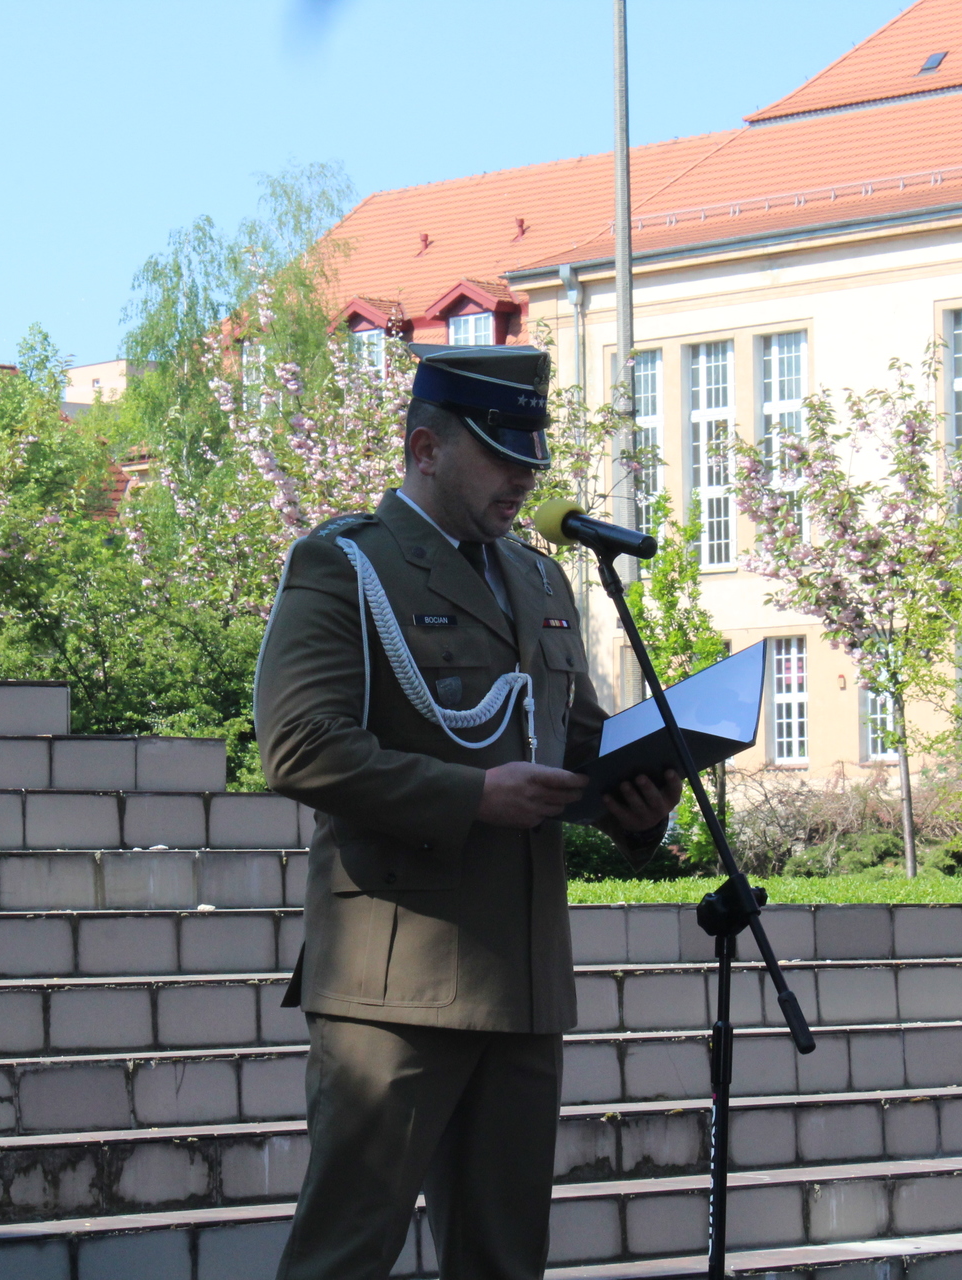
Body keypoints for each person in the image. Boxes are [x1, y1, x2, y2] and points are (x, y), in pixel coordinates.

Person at [256, 343, 683, 1280]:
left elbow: (573, 739)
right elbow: (300, 744)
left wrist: (638, 802)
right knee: (343, 1257)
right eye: (501, 456)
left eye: (532, 458)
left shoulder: (539, 579)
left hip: (521, 977)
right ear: (426, 448)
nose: (524, 478)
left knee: (504, 1261)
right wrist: (473, 795)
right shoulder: (347, 565)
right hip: (394, 980)